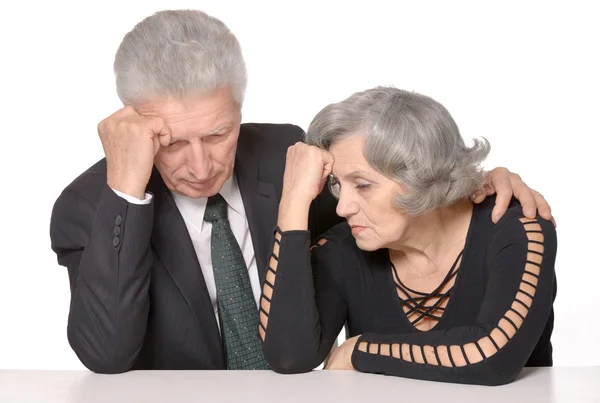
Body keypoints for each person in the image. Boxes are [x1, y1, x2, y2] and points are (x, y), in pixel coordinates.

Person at [50, 10, 552, 373]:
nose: (200, 165)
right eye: (173, 142)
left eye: (218, 134)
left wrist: (472, 181)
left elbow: (392, 180)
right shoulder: (87, 206)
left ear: (240, 109)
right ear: (136, 126)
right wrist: (125, 191)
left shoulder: (284, 151)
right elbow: (106, 355)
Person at [259, 87, 557, 386]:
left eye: (362, 185)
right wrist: (294, 201)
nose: (342, 207)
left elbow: (494, 360)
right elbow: (289, 356)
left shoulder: (515, 229)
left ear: (422, 176)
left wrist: (358, 351)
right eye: (338, 184)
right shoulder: (341, 249)